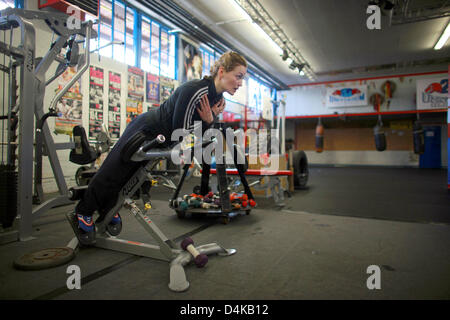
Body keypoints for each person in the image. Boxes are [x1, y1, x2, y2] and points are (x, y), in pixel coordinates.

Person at [72, 51, 248, 245]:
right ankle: (83, 211)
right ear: (222, 71)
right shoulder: (196, 91)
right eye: (238, 76)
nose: (240, 83)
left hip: (161, 140)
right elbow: (180, 133)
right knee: (114, 170)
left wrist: (208, 122)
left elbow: (198, 137)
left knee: (130, 178)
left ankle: (107, 207)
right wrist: (207, 121)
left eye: (242, 78)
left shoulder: (217, 99)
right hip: (145, 130)